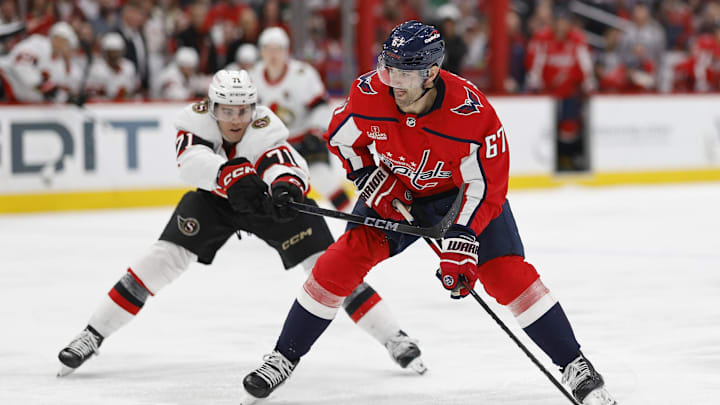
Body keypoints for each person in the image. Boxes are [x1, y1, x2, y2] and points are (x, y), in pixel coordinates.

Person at [240, 21, 617, 405]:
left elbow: (486, 186)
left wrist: (464, 237)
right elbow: (341, 137)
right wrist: (372, 178)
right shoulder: (371, 92)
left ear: (432, 73)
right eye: (389, 68)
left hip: (459, 198)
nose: (393, 81)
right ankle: (283, 357)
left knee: (506, 276)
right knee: (339, 263)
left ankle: (575, 365)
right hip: (395, 191)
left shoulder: (472, 114)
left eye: (404, 73)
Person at [56, 69, 426, 378]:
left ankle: (395, 337)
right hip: (214, 204)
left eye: (243, 111)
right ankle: (91, 334)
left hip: (267, 205)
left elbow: (284, 160)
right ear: (212, 107)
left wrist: (285, 186)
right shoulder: (194, 120)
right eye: (227, 111)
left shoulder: (265, 125)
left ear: (254, 108)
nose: (236, 119)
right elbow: (190, 162)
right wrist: (227, 175)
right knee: (159, 260)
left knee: (331, 268)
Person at [249, 27, 353, 211]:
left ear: (286, 51)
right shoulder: (252, 77)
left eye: (278, 49)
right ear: (261, 51)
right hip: (273, 145)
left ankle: (353, 218)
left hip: (305, 140)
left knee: (324, 178)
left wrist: (315, 131)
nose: (273, 55)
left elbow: (320, 106)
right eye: (268, 49)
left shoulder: (302, 74)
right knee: (267, 188)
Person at [0, 21, 82, 103]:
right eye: (58, 38)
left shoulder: (60, 64)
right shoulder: (38, 43)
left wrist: (66, 97)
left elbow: (58, 90)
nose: (60, 44)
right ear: (52, 36)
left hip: (22, 102)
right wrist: (41, 85)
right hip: (4, 84)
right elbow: (21, 64)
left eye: (64, 42)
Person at [85, 32, 139, 101]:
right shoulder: (96, 69)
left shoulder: (128, 67)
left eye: (117, 52)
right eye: (111, 52)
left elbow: (134, 90)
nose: (114, 56)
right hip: (102, 106)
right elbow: (90, 93)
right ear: (105, 53)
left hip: (124, 106)